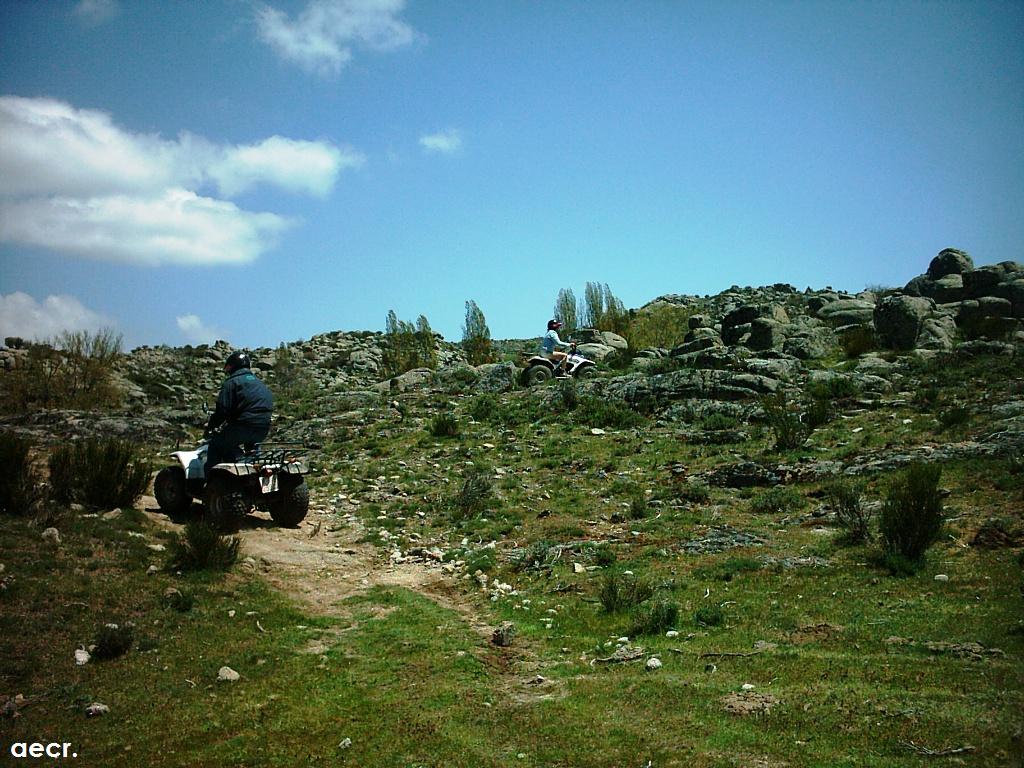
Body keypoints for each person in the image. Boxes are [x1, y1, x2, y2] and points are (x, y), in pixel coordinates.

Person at [204, 351, 273, 474]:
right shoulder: (259, 383)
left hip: (243, 427)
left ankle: (210, 482)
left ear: (232, 366)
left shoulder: (232, 382)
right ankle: (253, 472)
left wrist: (210, 428)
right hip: (263, 428)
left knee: (216, 444)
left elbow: (222, 410)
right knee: (252, 448)